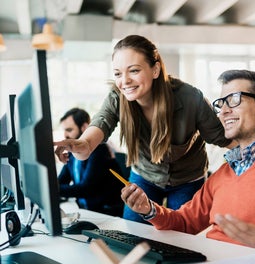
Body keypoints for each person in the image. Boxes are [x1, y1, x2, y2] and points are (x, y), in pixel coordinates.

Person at [54, 35, 234, 224]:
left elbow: (225, 139)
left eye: (134, 71)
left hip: (187, 179)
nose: (125, 81)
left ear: (155, 69)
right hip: (145, 175)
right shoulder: (117, 98)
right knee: (132, 235)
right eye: (117, 74)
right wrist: (81, 145)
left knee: (184, 241)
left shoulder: (190, 98)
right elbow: (98, 126)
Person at [120, 69, 255, 248]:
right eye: (221, 103)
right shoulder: (222, 175)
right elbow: (185, 222)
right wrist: (149, 209)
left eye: (234, 99)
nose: (223, 111)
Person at [57, 107, 124, 217]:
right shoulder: (72, 154)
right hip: (87, 212)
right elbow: (62, 180)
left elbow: (86, 188)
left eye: (69, 130)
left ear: (84, 127)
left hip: (107, 213)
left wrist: (53, 189)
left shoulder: (100, 150)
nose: (65, 135)